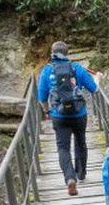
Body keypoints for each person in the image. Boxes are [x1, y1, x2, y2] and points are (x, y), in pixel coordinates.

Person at [37, 41, 101, 196]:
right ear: (67, 53)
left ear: (52, 53)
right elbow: (94, 89)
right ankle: (81, 173)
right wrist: (98, 77)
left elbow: (42, 97)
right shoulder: (77, 68)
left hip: (59, 115)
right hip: (79, 114)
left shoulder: (47, 71)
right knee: (81, 142)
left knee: (63, 147)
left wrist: (48, 112)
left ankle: (70, 178)